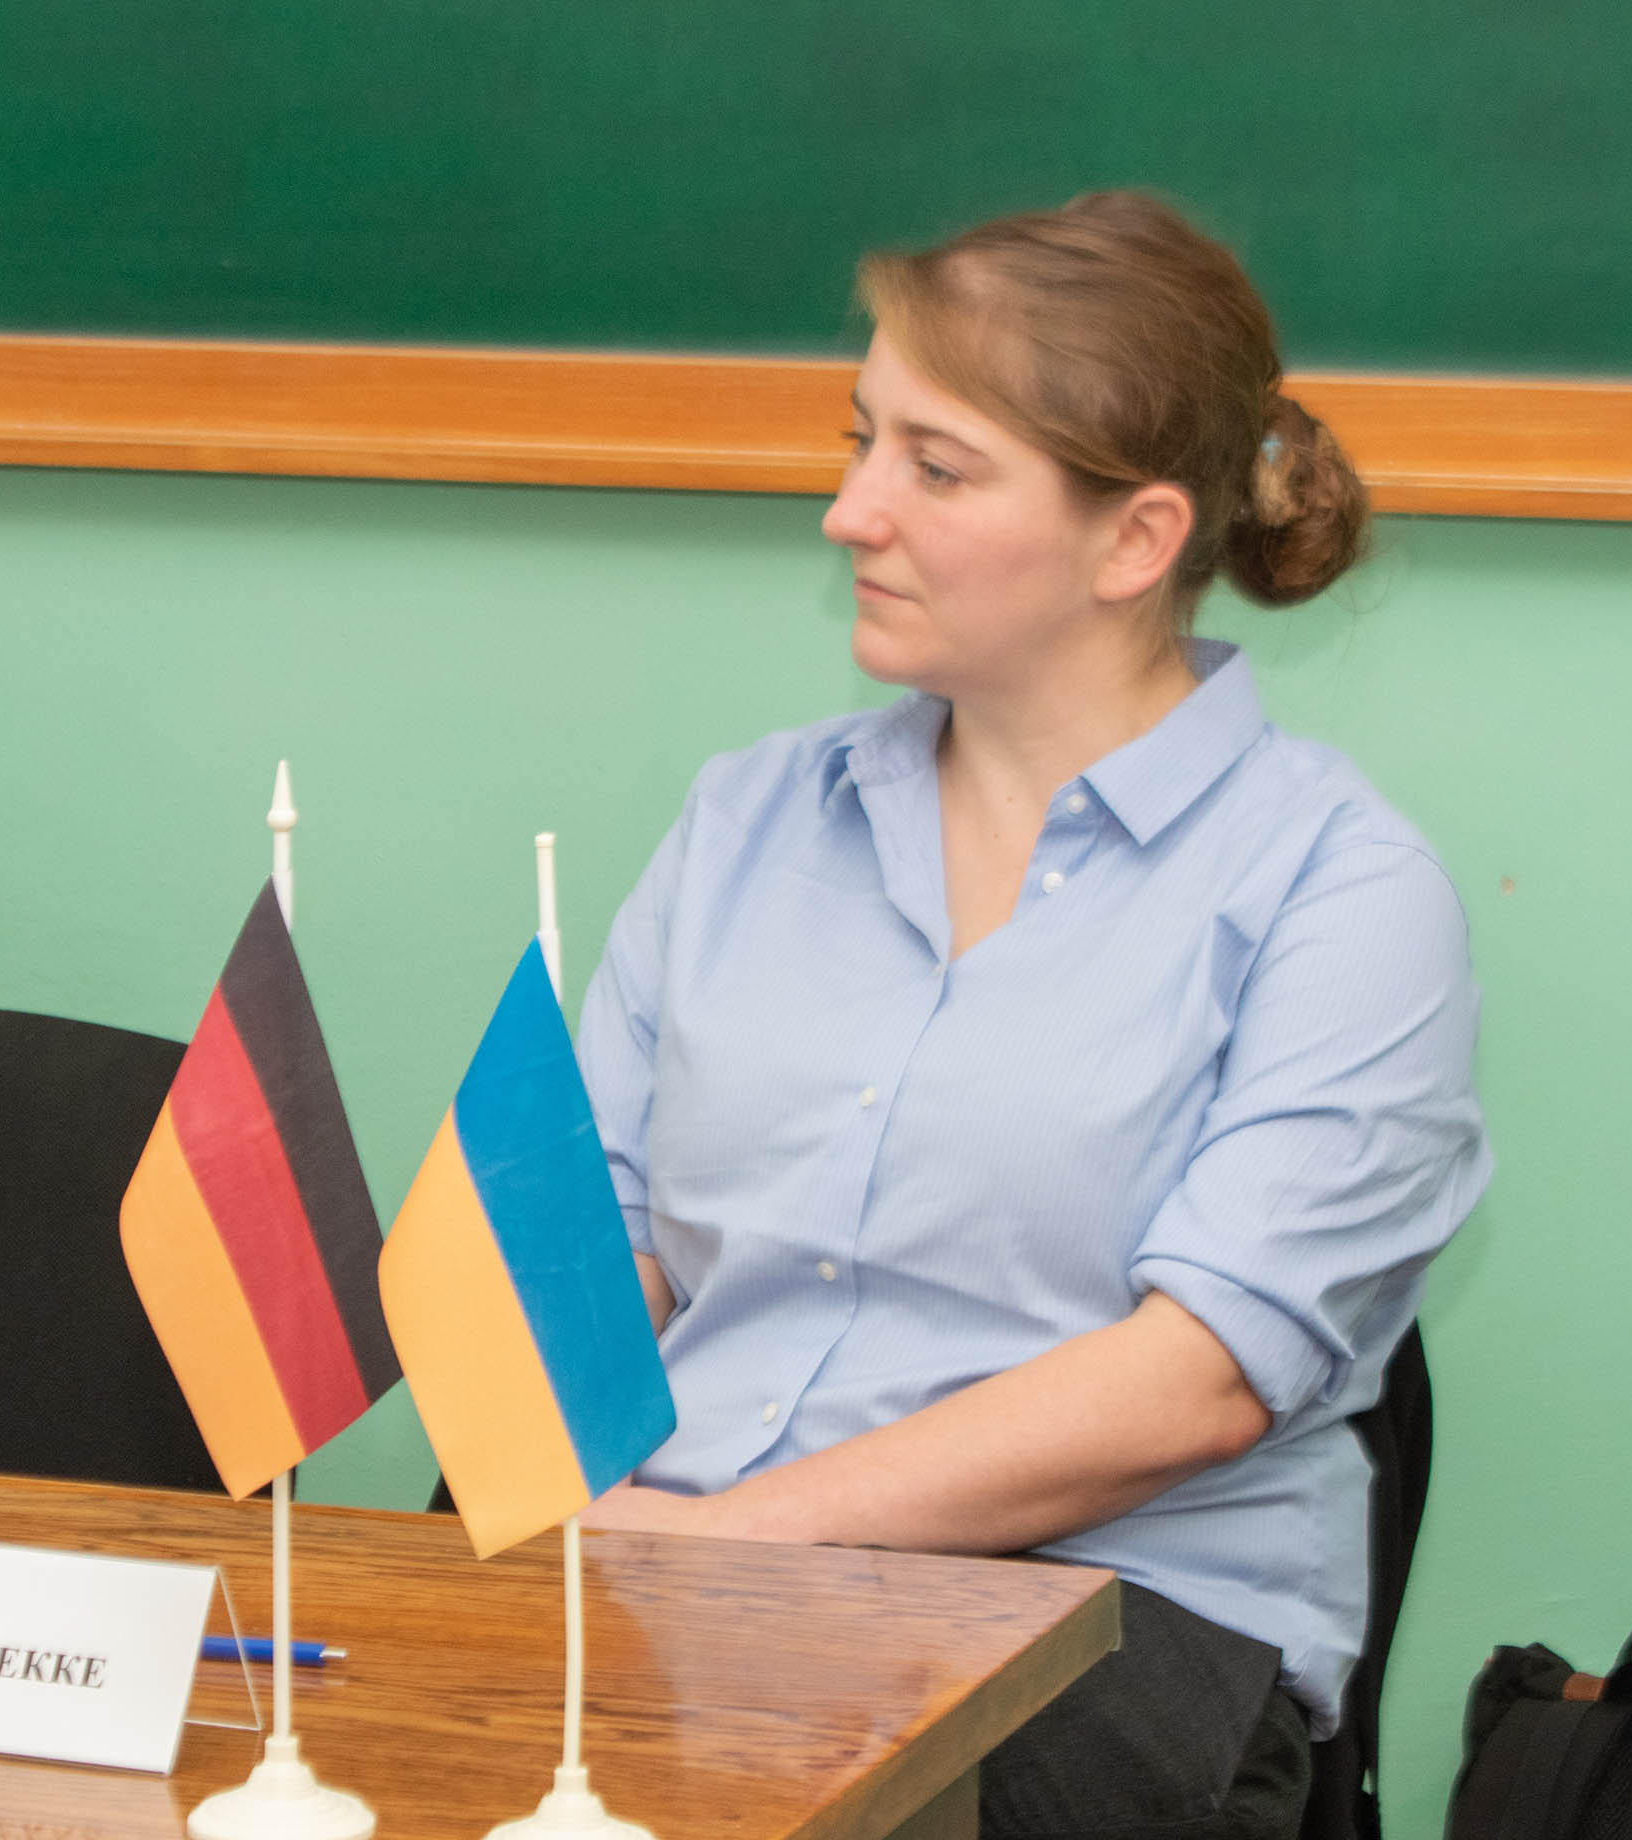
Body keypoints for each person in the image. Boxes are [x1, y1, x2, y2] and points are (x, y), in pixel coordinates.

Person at [573, 191, 1491, 1840]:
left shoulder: (1342, 890)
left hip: (1093, 1634)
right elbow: (593, 1235)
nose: (850, 513)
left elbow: (1198, 1379)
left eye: (936, 468)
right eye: (861, 442)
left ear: (1134, 543)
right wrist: (578, 1502)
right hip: (666, 1574)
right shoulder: (745, 817)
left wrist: (722, 1553)